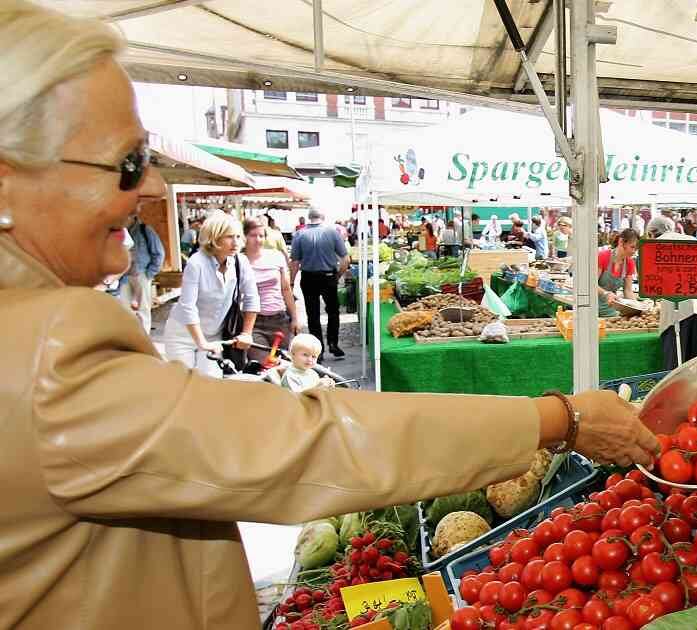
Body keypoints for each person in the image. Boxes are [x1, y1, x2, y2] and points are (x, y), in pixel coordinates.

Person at [0, 5, 659, 627]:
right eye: (128, 162)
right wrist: (559, 419)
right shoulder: (45, 348)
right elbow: (302, 442)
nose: (151, 189)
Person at [162, 212, 260, 377]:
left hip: (215, 335)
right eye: (229, 236)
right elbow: (188, 306)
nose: (236, 242)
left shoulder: (240, 261)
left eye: (238, 236)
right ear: (213, 238)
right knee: (183, 383)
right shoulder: (196, 263)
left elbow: (251, 298)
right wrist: (201, 343)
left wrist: (246, 334)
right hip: (182, 334)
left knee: (211, 382)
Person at [646, 217, 697, 370]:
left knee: (676, 368)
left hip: (679, 310)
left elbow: (653, 285)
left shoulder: (655, 245)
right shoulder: (691, 239)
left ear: (652, 233)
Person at [289, 207, 349, 359]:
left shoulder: (299, 234)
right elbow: (345, 260)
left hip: (308, 277)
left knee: (312, 314)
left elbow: (295, 262)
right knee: (333, 312)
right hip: (328, 276)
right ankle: (333, 343)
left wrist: (290, 282)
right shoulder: (332, 233)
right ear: (323, 217)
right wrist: (338, 275)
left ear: (309, 218)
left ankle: (318, 350)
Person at [244, 218, 299, 362]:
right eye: (253, 235)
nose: (258, 239)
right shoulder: (239, 261)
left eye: (261, 235)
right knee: (264, 364)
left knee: (283, 363)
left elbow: (286, 289)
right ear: (244, 237)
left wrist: (294, 318)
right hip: (253, 322)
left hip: (279, 320)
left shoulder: (276, 256)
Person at [118, 214, 163, 332]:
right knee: (125, 310)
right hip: (123, 276)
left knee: (143, 309)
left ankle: (144, 339)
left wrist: (149, 274)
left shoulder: (145, 230)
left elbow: (159, 253)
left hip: (142, 274)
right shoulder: (119, 231)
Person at [597, 229, 639, 317]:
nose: (634, 251)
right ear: (621, 242)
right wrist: (606, 293)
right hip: (593, 308)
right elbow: (591, 284)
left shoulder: (630, 263)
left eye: (636, 248)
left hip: (611, 309)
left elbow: (628, 291)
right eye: (632, 247)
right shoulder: (603, 256)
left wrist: (637, 307)